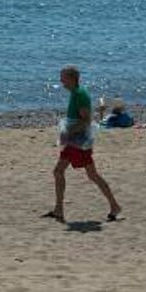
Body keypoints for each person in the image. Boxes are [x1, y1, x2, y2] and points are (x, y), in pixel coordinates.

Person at [43, 66, 122, 223]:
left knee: (63, 172)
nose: (61, 81)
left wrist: (69, 132)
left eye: (63, 78)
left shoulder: (80, 95)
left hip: (78, 142)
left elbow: (86, 120)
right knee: (86, 174)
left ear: (72, 78)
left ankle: (114, 205)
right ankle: (60, 209)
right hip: (75, 141)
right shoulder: (75, 93)